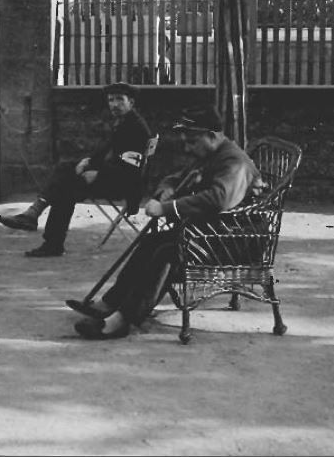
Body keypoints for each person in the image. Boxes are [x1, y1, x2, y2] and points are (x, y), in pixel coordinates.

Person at [66, 107, 264, 340]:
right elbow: (176, 177)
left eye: (192, 141)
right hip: (211, 234)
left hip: (234, 242)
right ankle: (110, 303)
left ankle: (122, 320)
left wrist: (166, 208)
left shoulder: (234, 161)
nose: (188, 148)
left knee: (167, 252)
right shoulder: (211, 155)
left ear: (212, 135)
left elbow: (219, 198)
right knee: (152, 241)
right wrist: (167, 189)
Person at [0, 82, 152, 258]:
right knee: (65, 170)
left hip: (123, 184)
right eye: (111, 100)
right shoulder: (126, 121)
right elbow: (106, 152)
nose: (114, 104)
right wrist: (87, 163)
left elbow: (130, 169)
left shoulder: (134, 127)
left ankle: (46, 233)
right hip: (116, 176)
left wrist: (98, 173)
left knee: (65, 188)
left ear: (131, 102)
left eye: (119, 100)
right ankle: (36, 217)